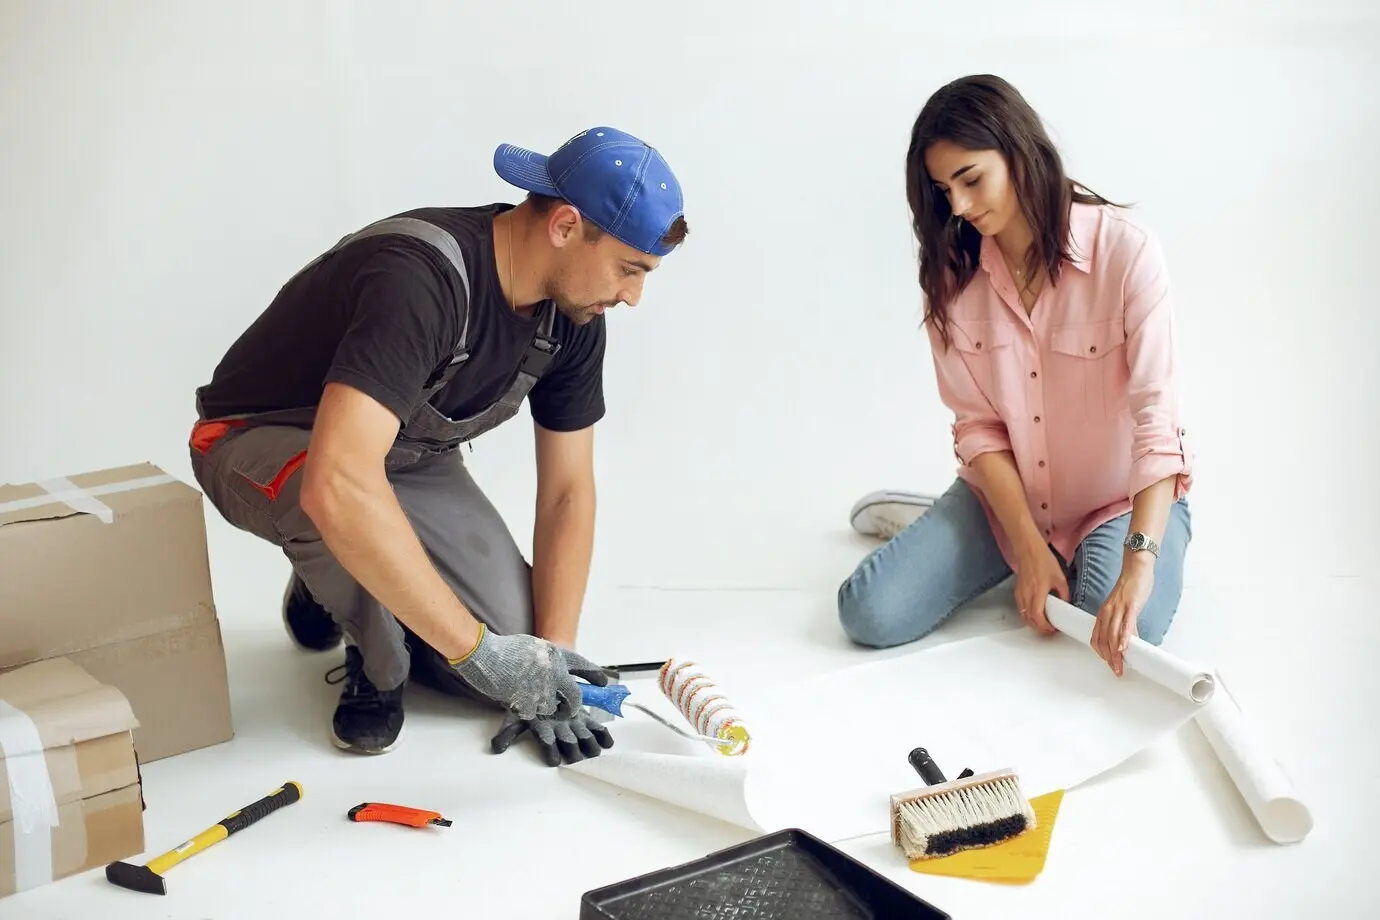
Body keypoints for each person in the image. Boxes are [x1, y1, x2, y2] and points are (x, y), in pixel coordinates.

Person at [187, 126, 689, 765]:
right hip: (260, 441)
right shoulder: (421, 278)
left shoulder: (575, 316)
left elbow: (567, 490)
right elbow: (338, 480)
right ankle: (375, 652)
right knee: (344, 517)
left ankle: (334, 579)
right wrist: (478, 654)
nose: (633, 296)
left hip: (401, 455)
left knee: (510, 637)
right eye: (629, 269)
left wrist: (548, 652)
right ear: (565, 226)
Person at [838, 75, 1193, 677]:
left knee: (1120, 642)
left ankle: (1097, 553)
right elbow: (977, 426)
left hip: (1116, 503)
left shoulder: (1127, 252)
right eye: (942, 189)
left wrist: (1139, 564)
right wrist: (1027, 546)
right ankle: (976, 536)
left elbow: (1158, 421)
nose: (958, 207)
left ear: (1019, 150)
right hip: (1007, 499)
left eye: (970, 179)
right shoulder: (953, 278)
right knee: (868, 614)